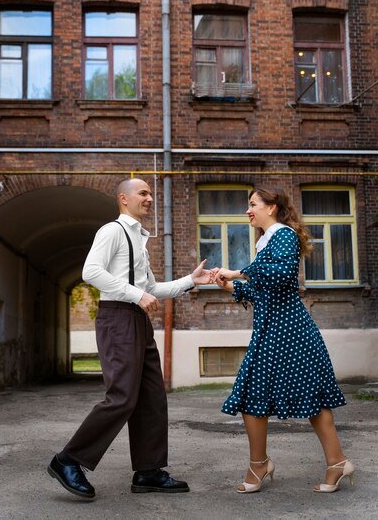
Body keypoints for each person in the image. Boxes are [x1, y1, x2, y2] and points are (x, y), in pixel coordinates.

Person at [48, 177, 213, 499]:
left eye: (151, 193)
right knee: (122, 396)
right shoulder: (113, 231)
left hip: (136, 319)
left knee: (151, 396)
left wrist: (190, 281)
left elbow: (151, 290)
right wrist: (134, 294)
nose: (149, 198)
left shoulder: (139, 239)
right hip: (118, 318)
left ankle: (149, 470)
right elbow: (90, 271)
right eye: (143, 193)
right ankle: (67, 460)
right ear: (124, 199)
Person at [212, 188, 354, 494]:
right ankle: (260, 463)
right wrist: (229, 286)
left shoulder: (283, 235)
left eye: (252, 204)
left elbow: (282, 273)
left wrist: (236, 272)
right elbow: (264, 290)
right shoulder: (266, 242)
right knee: (253, 397)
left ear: (272, 208)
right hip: (271, 331)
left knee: (312, 400)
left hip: (292, 332)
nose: (247, 210)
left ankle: (337, 463)